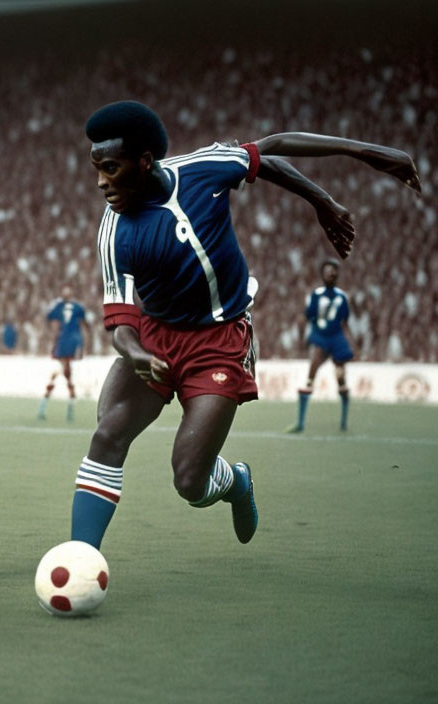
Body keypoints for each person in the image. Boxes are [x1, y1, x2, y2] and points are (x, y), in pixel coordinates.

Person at [69, 100, 420, 550]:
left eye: (111, 169)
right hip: (153, 336)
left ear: (144, 162)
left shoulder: (203, 170)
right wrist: (137, 354)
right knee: (108, 432)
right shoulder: (113, 228)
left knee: (190, 481)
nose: (101, 182)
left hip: (219, 341)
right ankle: (80, 558)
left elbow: (272, 150)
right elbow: (120, 325)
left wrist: (337, 184)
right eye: (96, 169)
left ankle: (235, 481)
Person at [287, 258, 353, 433]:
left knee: (341, 378)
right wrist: (302, 337)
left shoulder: (342, 296)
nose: (331, 274)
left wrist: (350, 341)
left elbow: (345, 322)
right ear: (322, 275)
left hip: (337, 339)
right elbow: (307, 316)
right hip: (321, 338)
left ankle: (344, 422)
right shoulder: (316, 295)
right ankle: (300, 423)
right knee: (311, 374)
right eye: (327, 271)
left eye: (333, 271)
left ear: (337, 274)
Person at [38, 286, 91, 421]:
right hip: (73, 342)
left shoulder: (58, 306)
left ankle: (47, 404)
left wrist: (53, 343)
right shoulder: (78, 307)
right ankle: (69, 405)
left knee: (62, 372)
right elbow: (86, 325)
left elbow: (53, 324)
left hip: (63, 342)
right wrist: (83, 345)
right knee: (65, 372)